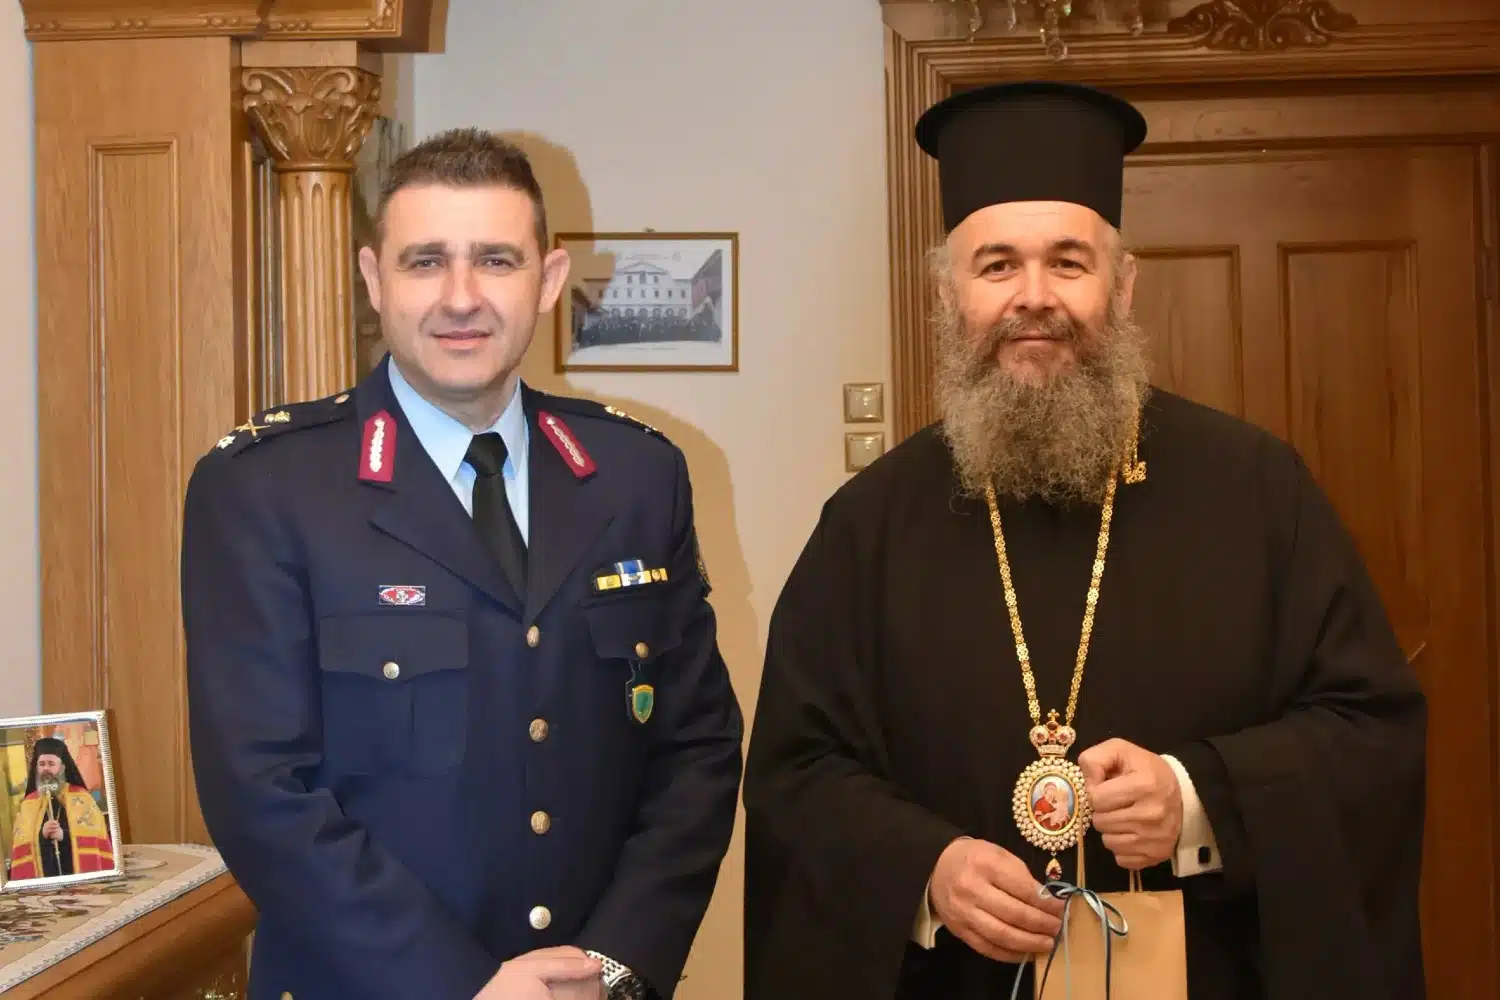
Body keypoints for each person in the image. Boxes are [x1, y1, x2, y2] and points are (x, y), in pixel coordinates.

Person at [741, 81, 1426, 1000]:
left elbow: (1370, 732)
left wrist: (1197, 799)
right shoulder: (868, 524)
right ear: (949, 292)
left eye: (1068, 263)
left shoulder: (1257, 487)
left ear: (1124, 284)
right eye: (997, 266)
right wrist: (924, 869)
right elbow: (795, 773)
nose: (1034, 299)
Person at [183, 128, 744, 1000]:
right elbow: (262, 793)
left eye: (494, 260)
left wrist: (613, 962)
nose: (460, 298)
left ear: (547, 281)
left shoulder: (637, 476)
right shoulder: (265, 488)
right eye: (425, 262)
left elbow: (697, 749)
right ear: (374, 280)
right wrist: (462, 986)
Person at [7, 736, 114, 880]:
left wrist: (64, 835)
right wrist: (41, 835)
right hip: (44, 880)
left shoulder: (82, 798)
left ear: (62, 767)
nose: (46, 769)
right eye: (42, 764)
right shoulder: (28, 803)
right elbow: (21, 846)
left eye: (51, 764)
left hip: (75, 876)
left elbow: (94, 837)